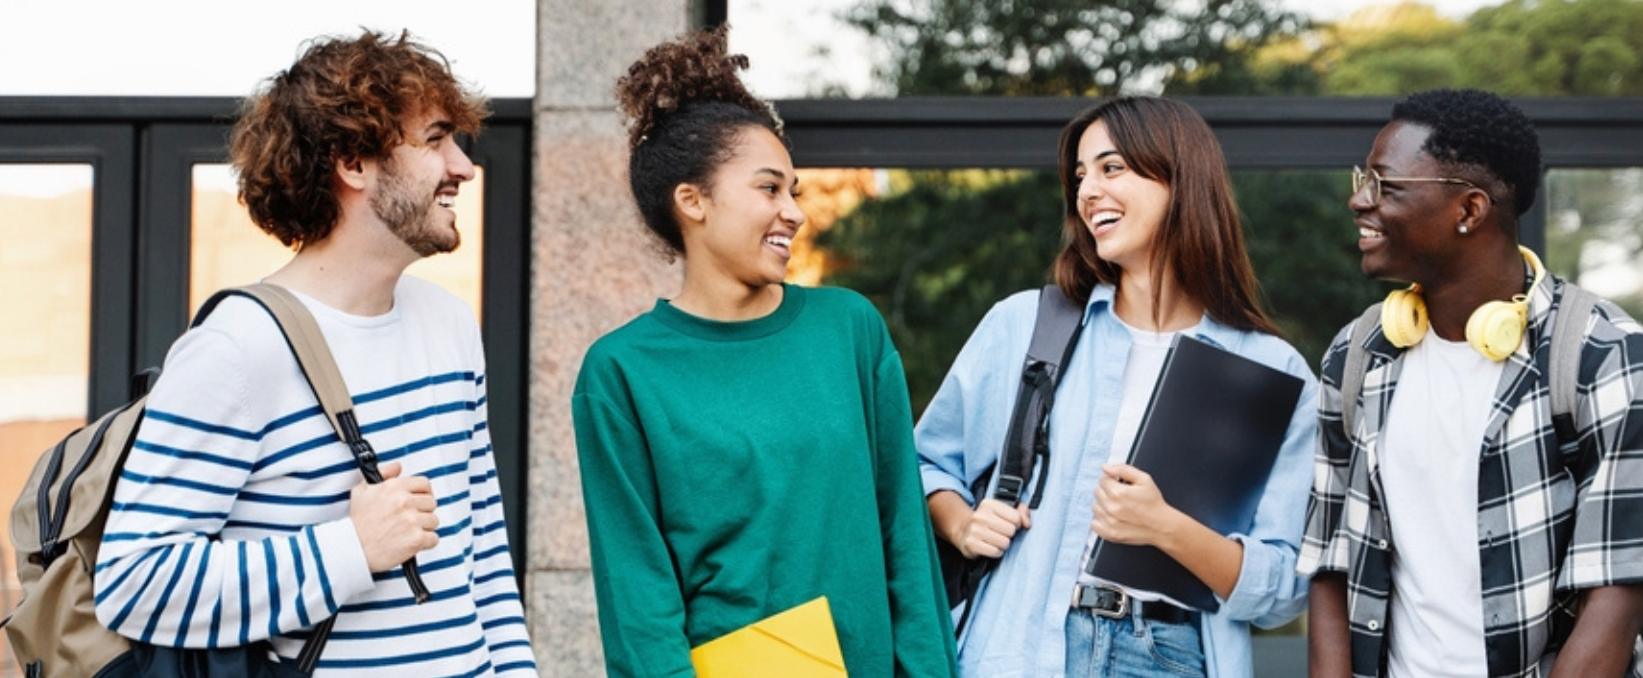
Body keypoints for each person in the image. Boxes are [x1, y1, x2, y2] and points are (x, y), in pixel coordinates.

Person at [92, 30, 538, 676]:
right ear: (353, 162)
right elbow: (133, 584)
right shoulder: (237, 349)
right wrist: (350, 547)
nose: (464, 167)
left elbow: (486, 561)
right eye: (437, 140)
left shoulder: (451, 326)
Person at [569, 29, 957, 678]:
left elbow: (905, 542)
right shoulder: (621, 374)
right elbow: (639, 603)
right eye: (770, 189)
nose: (794, 212)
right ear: (692, 201)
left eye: (794, 191)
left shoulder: (849, 329)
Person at [914, 96, 1318, 678]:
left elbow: (1285, 589)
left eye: (1111, 169)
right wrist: (963, 523)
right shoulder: (1025, 325)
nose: (1087, 192)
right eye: (1080, 176)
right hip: (1020, 650)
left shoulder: (1272, 372)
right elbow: (925, 463)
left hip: (1170, 656)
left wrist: (1166, 528)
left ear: (1180, 180)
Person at [1298, 88, 1643, 678]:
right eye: (1363, 179)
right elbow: (1331, 562)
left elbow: (1620, 585)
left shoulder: (1603, 349)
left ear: (1469, 210)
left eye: (1384, 184)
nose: (1358, 201)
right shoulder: (1356, 354)